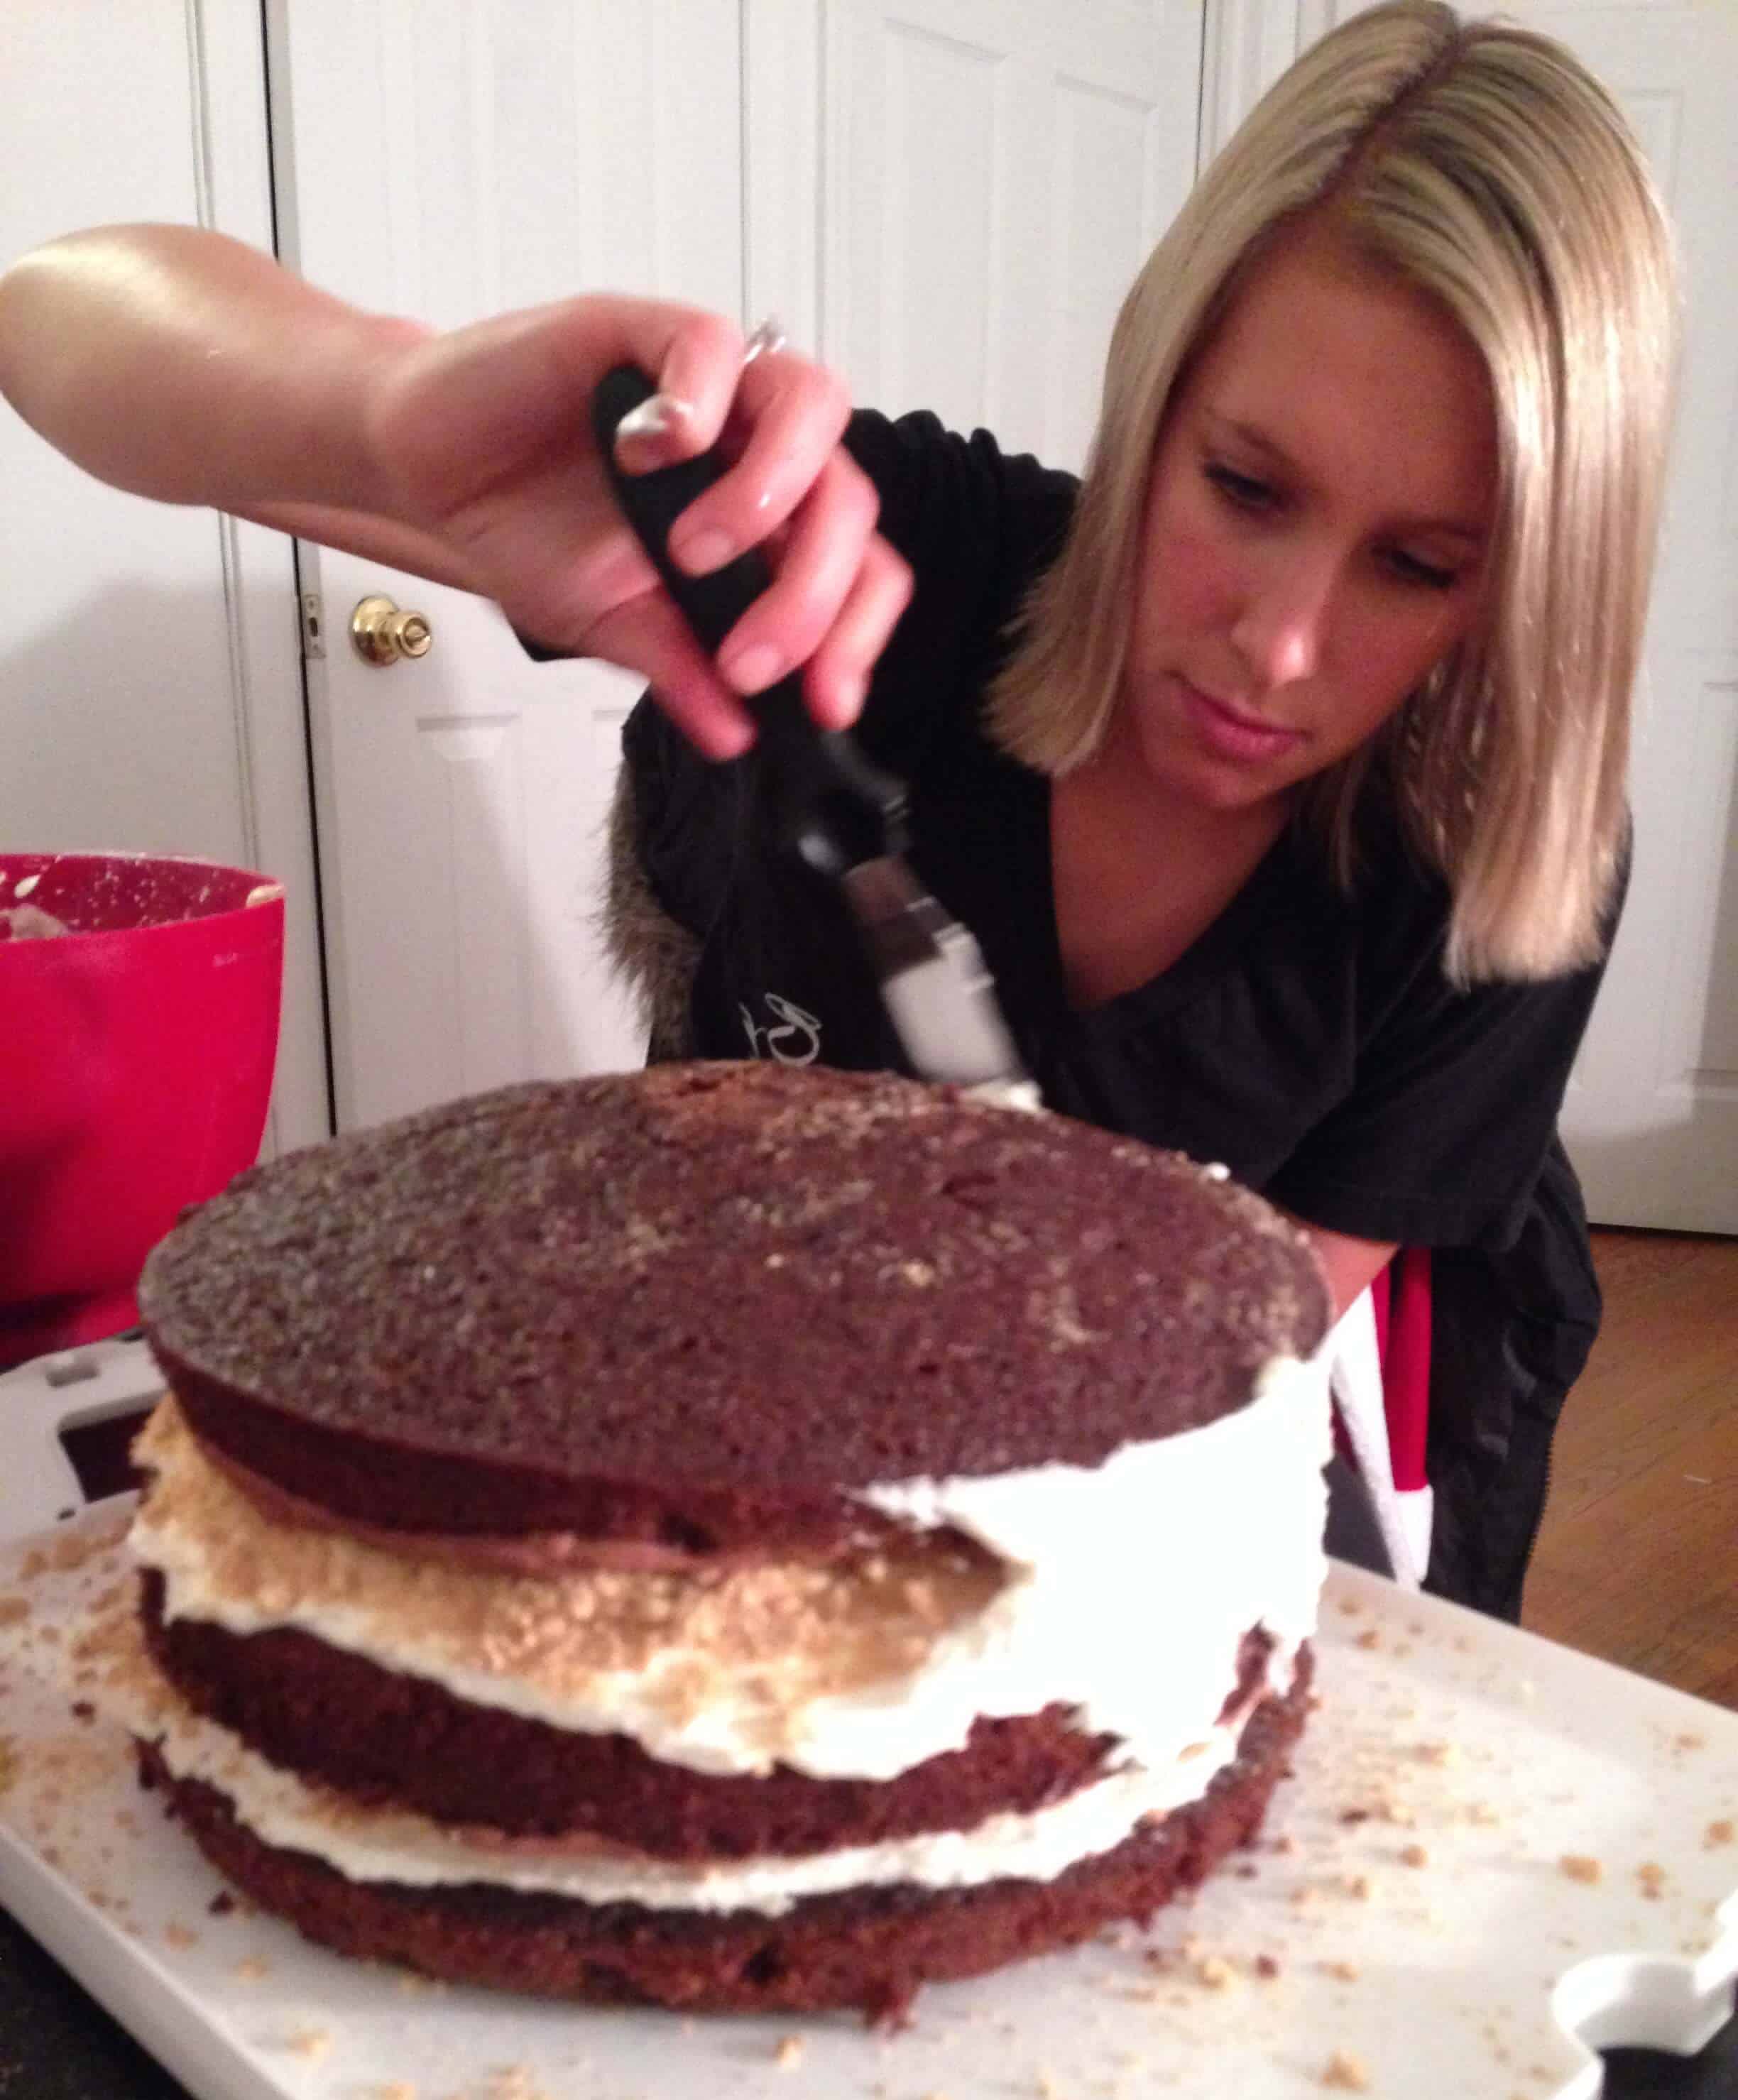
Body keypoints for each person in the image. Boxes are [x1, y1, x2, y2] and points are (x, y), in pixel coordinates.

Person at [0, 1, 1678, 1614]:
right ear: (1155, 396)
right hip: (734, 1370)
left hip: (1150, 1478)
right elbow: (52, 313)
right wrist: (379, 415)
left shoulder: (1502, 863)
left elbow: (1215, 1369)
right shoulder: (877, 570)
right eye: (1245, 487)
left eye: (1419, 566)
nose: (1283, 647)